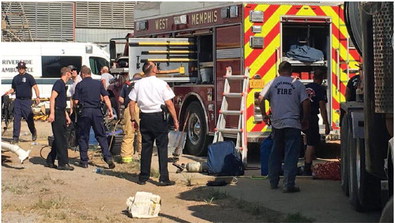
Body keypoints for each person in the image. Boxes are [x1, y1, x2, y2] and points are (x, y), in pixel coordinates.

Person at [258, 61, 310, 193]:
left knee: (275, 153)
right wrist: (305, 119)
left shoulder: (273, 83)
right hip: (293, 124)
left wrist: (264, 115)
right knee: (291, 154)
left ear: (279, 71)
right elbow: (305, 102)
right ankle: (288, 184)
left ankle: (273, 182)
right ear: (291, 70)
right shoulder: (297, 84)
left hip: (277, 124)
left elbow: (260, 98)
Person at [129, 61, 179, 186]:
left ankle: (143, 177)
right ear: (153, 70)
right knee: (162, 147)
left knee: (146, 147)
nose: (157, 67)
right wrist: (175, 120)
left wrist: (133, 119)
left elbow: (131, 103)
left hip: (145, 117)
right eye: (155, 65)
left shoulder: (138, 84)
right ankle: (163, 178)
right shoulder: (161, 84)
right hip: (158, 117)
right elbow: (169, 103)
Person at [73, 66, 115, 169]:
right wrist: (110, 110)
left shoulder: (79, 85)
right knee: (101, 135)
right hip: (97, 112)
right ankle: (108, 158)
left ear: (82, 74)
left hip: (85, 112)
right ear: (90, 73)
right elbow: (106, 97)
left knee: (83, 136)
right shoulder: (98, 83)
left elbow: (76, 101)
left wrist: (75, 110)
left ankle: (84, 161)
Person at [3, 61, 40, 144]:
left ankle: (33, 131)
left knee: (29, 119)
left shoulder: (29, 77)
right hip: (18, 101)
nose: (21, 69)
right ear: (18, 69)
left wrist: (37, 97)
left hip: (26, 101)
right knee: (16, 119)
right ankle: (15, 138)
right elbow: (13, 89)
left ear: (25, 69)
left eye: (22, 68)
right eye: (20, 68)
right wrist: (8, 92)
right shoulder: (15, 78)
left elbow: (35, 87)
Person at [303, 68, 330, 176]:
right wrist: (326, 123)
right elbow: (322, 107)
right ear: (323, 77)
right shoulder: (320, 89)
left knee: (307, 139)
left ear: (313, 77)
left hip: (302, 116)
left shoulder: (305, 87)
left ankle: (305, 161)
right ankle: (307, 167)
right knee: (312, 143)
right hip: (312, 117)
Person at [45, 67, 74, 171]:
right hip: (57, 113)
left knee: (59, 138)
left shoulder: (63, 85)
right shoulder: (59, 83)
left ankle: (50, 160)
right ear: (67, 73)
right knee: (61, 139)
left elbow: (61, 103)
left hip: (61, 112)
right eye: (70, 73)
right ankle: (63, 163)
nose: (72, 74)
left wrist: (66, 116)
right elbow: (52, 98)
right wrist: (52, 113)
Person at [119, 73, 142, 163]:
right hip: (141, 108)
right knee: (142, 133)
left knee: (128, 133)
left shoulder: (127, 84)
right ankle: (142, 156)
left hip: (129, 108)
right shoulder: (143, 83)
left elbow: (120, 98)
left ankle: (126, 158)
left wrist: (125, 103)